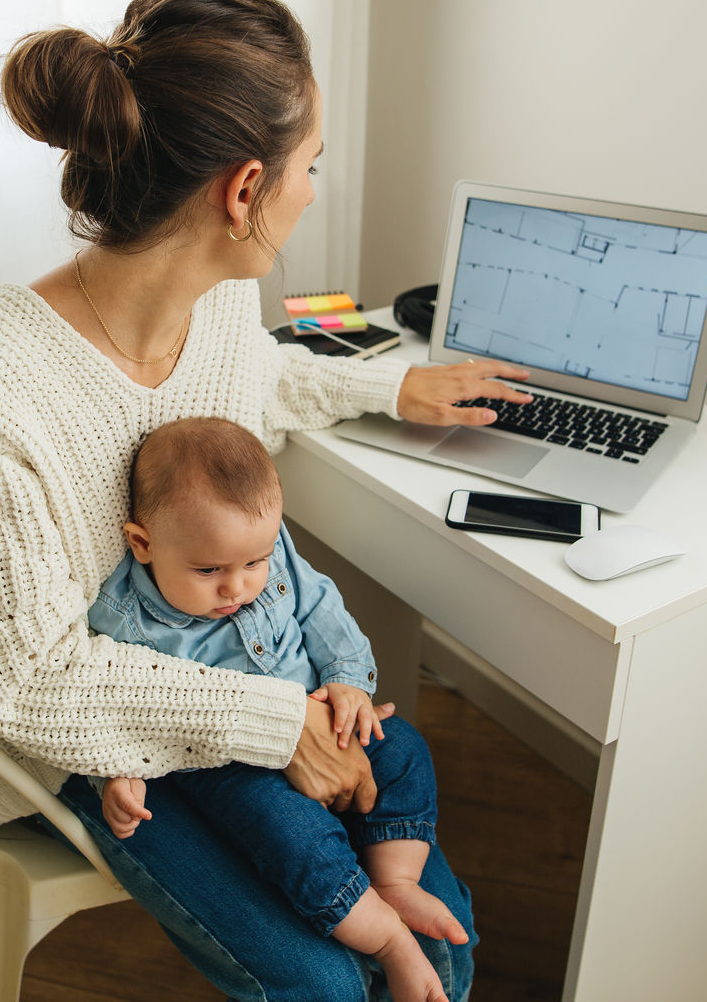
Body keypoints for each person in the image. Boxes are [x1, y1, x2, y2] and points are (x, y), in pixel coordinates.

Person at [0, 0, 532, 1002]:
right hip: (87, 748)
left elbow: (255, 387)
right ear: (244, 191)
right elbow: (29, 687)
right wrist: (278, 725)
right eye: (310, 166)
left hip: (243, 690)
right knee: (330, 986)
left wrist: (392, 384)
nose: (313, 192)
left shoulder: (224, 308)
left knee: (443, 948)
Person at [88, 416, 469, 1002]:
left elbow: (321, 608)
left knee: (406, 749)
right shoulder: (122, 618)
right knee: (291, 833)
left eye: (254, 564)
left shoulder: (269, 553)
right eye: (209, 570)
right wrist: (118, 773)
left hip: (322, 717)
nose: (237, 589)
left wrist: (348, 683)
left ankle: (396, 880)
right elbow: (116, 703)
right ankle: (386, 937)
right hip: (228, 765)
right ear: (143, 543)